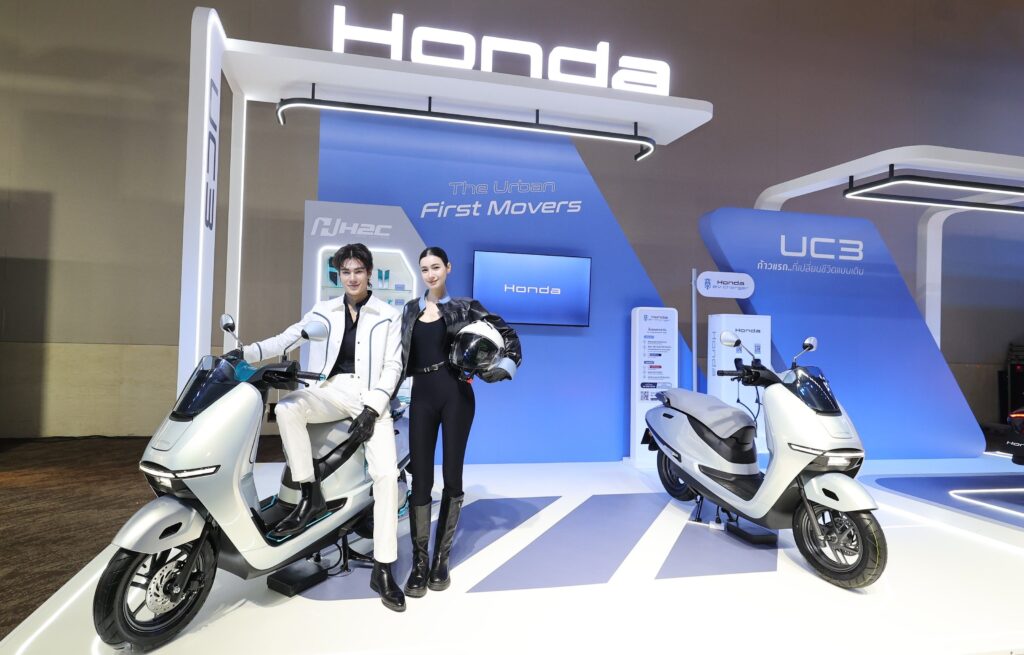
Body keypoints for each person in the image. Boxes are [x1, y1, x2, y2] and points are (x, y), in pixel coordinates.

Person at [233, 243, 406, 612]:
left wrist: (373, 409)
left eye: (358, 271)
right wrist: (245, 353)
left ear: (369, 273)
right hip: (332, 390)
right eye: (346, 272)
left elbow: (393, 367)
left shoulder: (388, 315)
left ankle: (384, 567)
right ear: (339, 275)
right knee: (288, 408)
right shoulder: (324, 311)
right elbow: (287, 337)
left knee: (386, 476)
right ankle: (309, 495)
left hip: (370, 395)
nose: (352, 278)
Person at [399, 246, 522, 597]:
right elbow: (399, 356)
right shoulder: (410, 310)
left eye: (436, 267)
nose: (430, 274)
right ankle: (420, 563)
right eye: (425, 268)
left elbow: (509, 335)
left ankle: (441, 559)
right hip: (421, 398)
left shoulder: (466, 307)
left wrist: (504, 367)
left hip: (456, 395)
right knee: (421, 481)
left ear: (448, 268)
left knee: (453, 476)